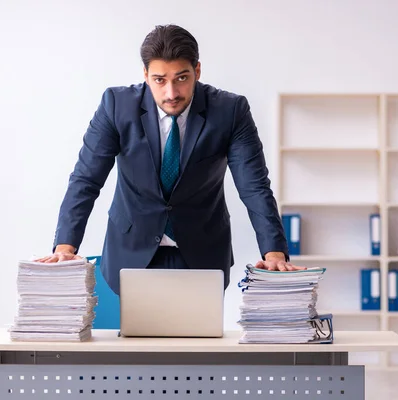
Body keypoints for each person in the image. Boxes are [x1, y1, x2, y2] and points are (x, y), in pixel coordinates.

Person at [36, 24, 305, 294]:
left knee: (200, 336)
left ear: (197, 71)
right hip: (129, 253)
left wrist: (274, 254)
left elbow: (254, 186)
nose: (171, 93)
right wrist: (65, 248)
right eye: (159, 80)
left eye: (181, 78)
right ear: (145, 74)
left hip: (203, 254)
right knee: (130, 336)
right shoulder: (116, 106)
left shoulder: (230, 111)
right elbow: (86, 179)